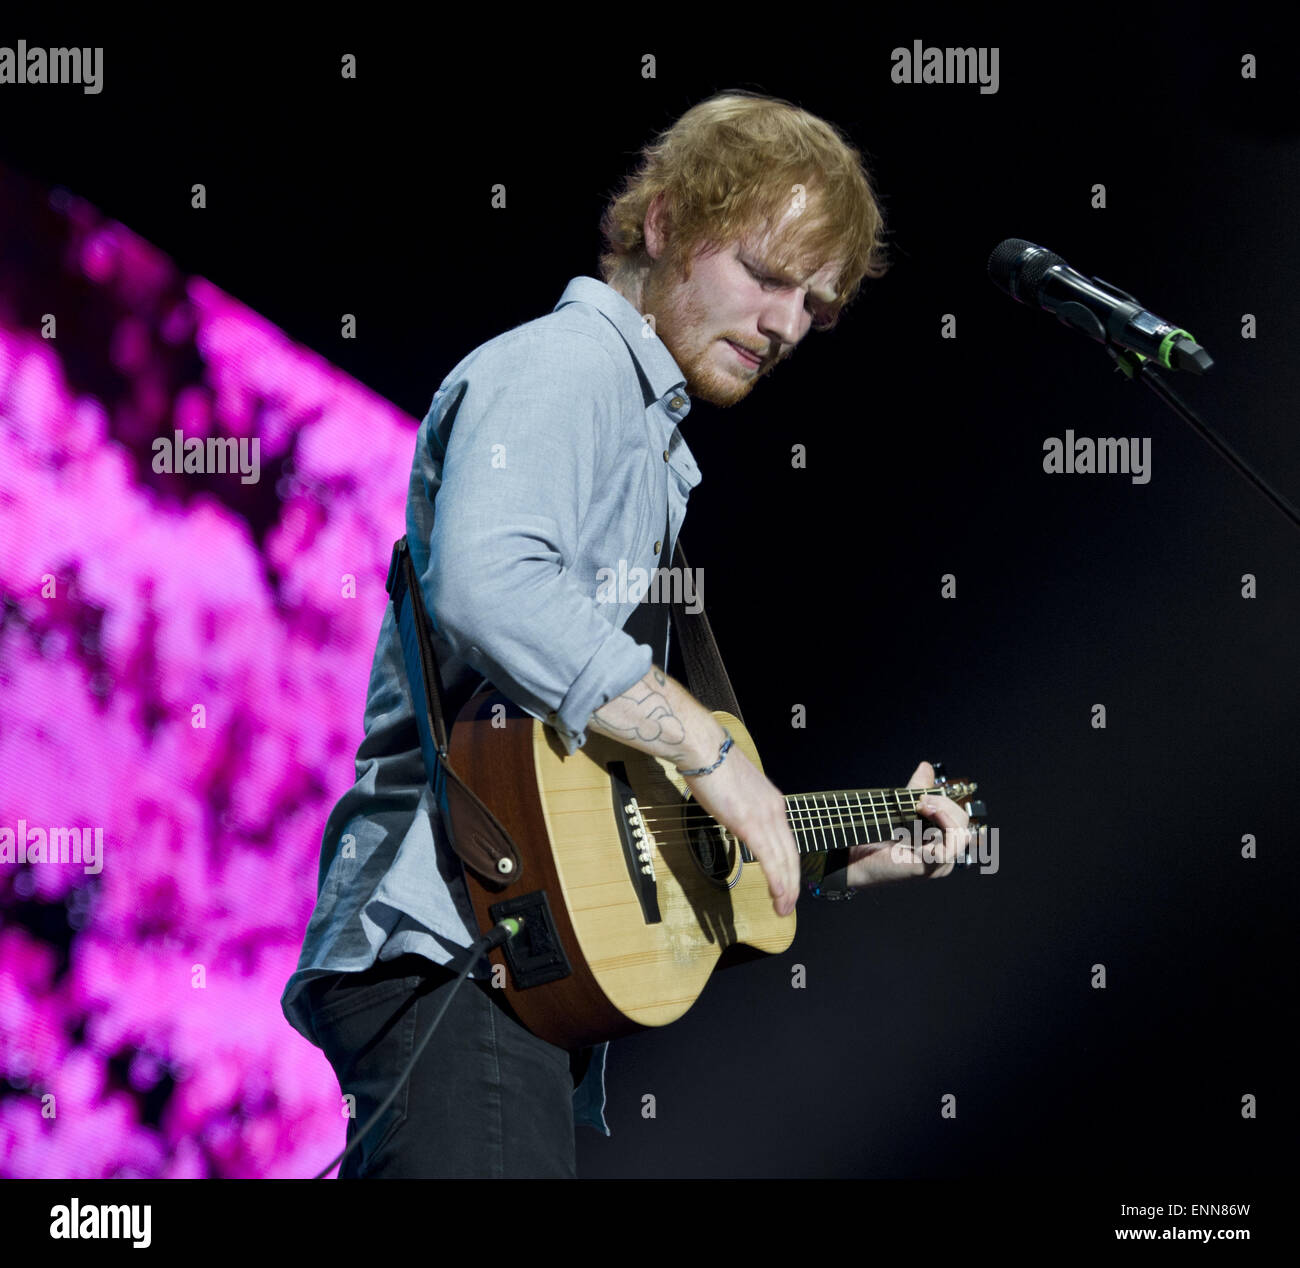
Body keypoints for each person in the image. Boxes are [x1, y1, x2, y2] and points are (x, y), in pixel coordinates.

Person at [280, 89, 973, 1179]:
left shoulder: (648, 440)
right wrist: (706, 751)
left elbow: (614, 811)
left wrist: (831, 858)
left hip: (510, 964)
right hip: (455, 943)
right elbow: (487, 577)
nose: (788, 323)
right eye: (767, 274)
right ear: (663, 223)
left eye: (816, 306)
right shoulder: (572, 365)